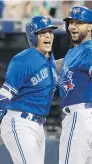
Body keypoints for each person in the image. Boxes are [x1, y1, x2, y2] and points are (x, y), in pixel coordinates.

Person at [56, 6, 92, 164]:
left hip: (79, 116)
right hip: (90, 115)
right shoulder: (75, 50)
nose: (72, 26)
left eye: (78, 23)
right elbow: (65, 64)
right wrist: (44, 66)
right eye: (71, 22)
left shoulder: (89, 49)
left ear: (90, 27)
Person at [0, 16, 58, 164]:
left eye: (50, 32)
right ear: (33, 37)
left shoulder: (49, 58)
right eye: (42, 33)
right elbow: (5, 94)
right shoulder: (22, 60)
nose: (48, 36)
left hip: (38, 125)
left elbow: (54, 66)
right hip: (19, 123)